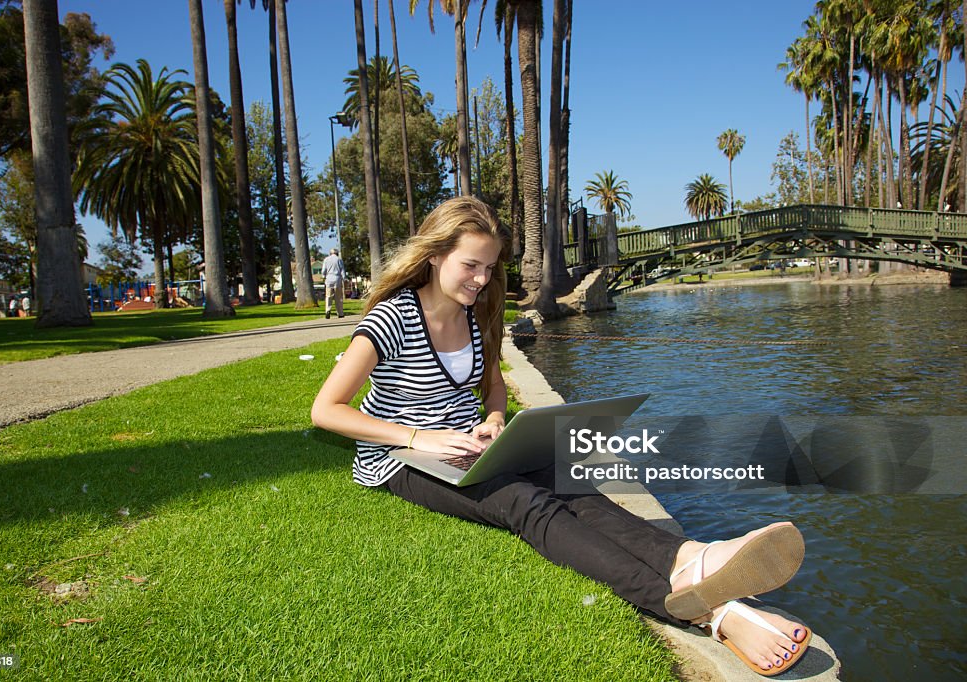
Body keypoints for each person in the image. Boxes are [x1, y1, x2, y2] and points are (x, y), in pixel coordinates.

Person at [311, 196, 812, 676]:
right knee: (521, 502)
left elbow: (493, 382)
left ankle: (688, 557)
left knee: (571, 482)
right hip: (402, 460)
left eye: (489, 267)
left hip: (470, 445)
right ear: (436, 255)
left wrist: (493, 418)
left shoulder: (474, 313)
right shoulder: (391, 318)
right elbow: (326, 410)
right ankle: (697, 610)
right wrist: (419, 438)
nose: (483, 279)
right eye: (471, 265)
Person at [322, 248, 346, 319]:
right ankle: (340, 313)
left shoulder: (326, 259)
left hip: (329, 279)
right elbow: (342, 270)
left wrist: (323, 276)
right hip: (337, 279)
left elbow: (323, 270)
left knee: (328, 296)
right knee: (338, 297)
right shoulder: (339, 260)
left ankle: (327, 311)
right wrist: (344, 278)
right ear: (337, 253)